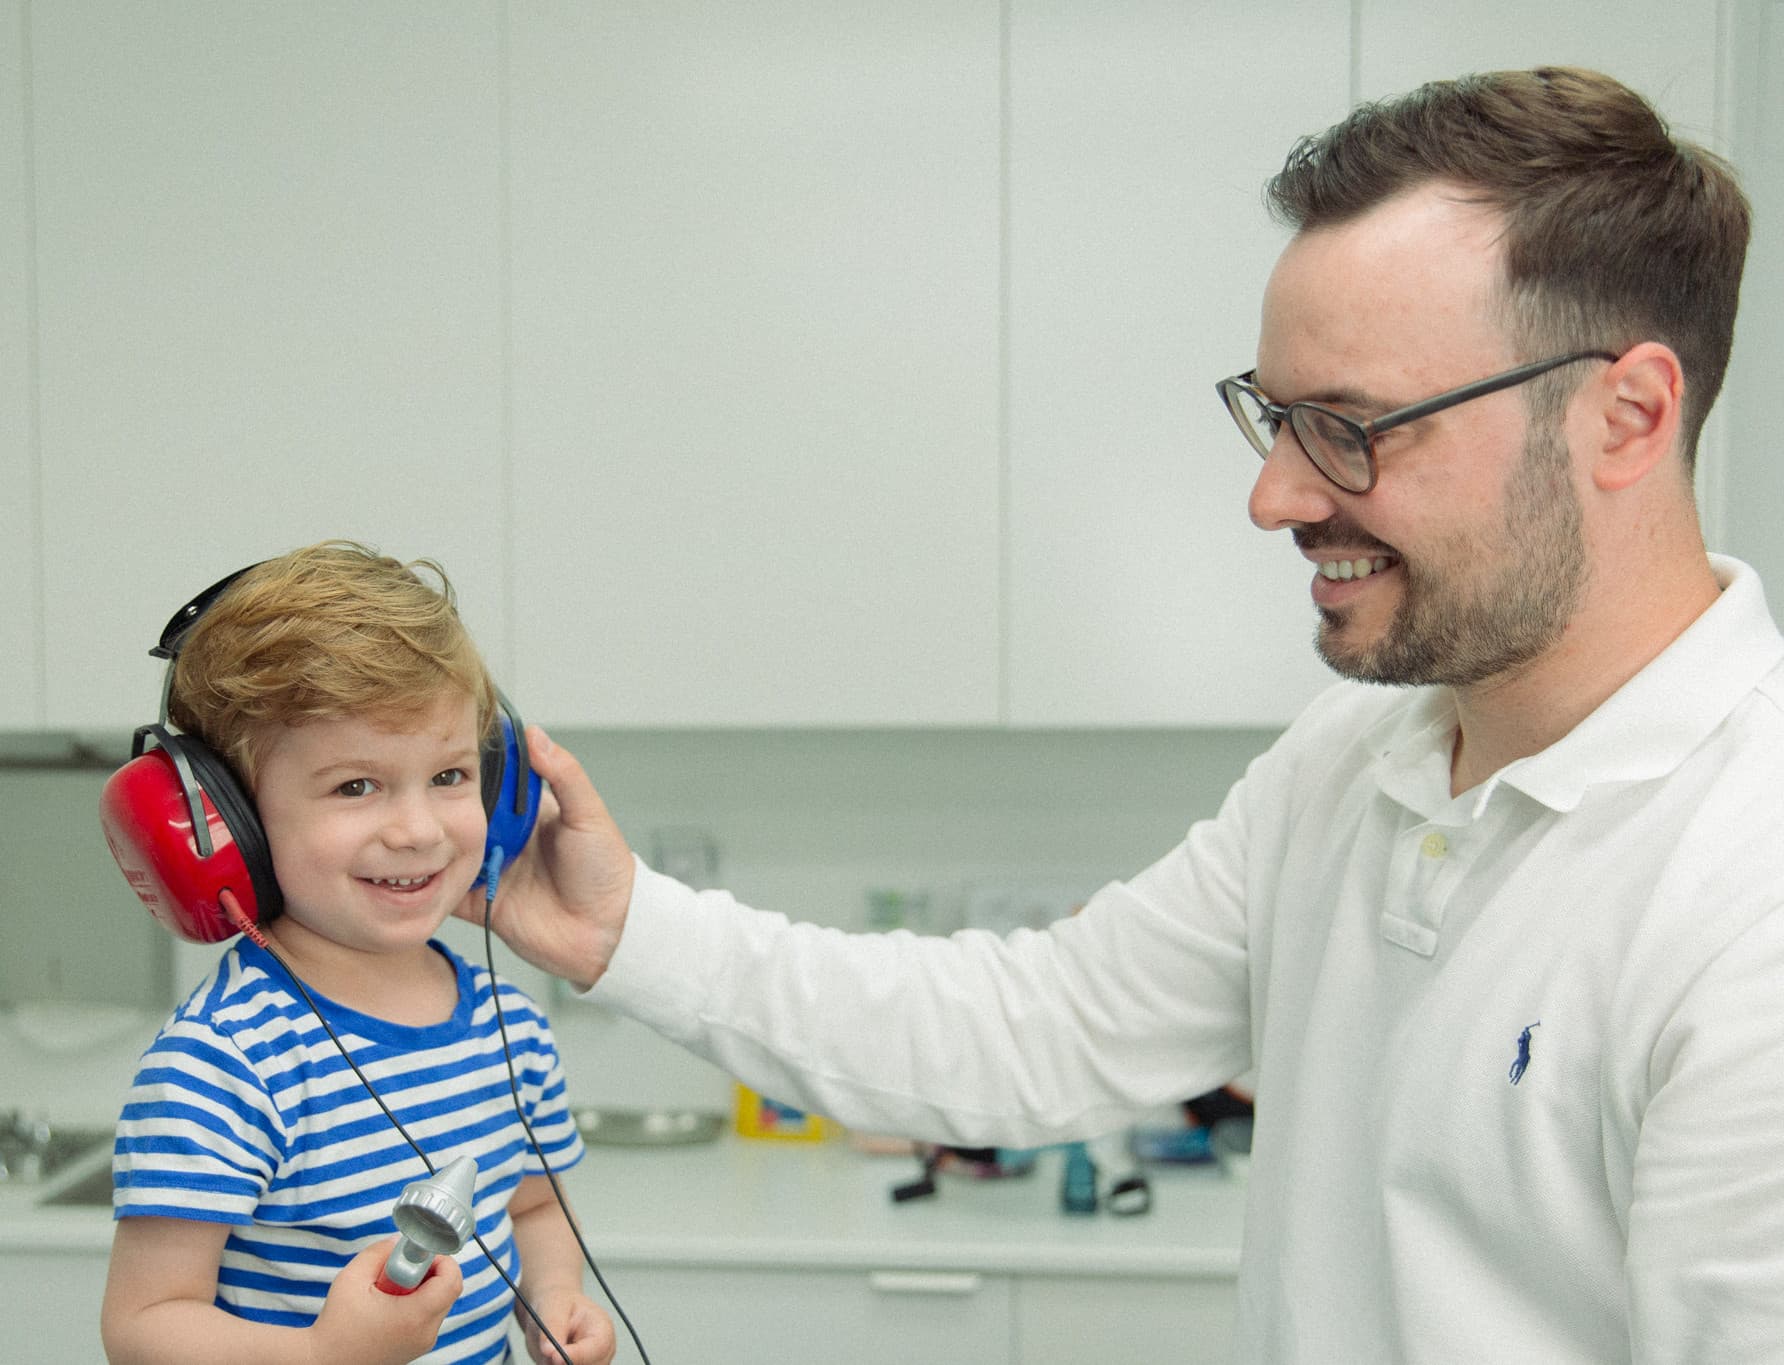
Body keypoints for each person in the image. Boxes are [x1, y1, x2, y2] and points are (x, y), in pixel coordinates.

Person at [463, 67, 1784, 1362]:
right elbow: (1028, 1032)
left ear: (1629, 416)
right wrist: (622, 926)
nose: (1275, 497)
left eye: (1350, 425)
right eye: (1275, 417)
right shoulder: (1357, 758)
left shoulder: (1742, 890)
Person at [101, 543, 615, 1365]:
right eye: (355, 786)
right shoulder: (224, 1064)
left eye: (449, 774)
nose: (418, 828)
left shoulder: (509, 1025)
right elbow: (144, 1324)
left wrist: (555, 1300)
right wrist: (322, 1355)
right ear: (234, 827)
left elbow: (534, 1210)